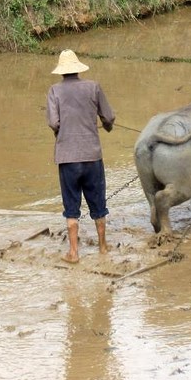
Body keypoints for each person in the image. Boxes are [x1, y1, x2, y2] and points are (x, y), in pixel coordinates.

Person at [46, 49, 115, 263]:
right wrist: (107, 125)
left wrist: (61, 133)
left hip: (67, 158)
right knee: (98, 204)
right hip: (92, 156)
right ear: (78, 69)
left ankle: (74, 253)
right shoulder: (93, 87)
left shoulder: (54, 91)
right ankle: (103, 247)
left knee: (71, 208)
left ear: (61, 72)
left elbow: (53, 122)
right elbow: (109, 116)